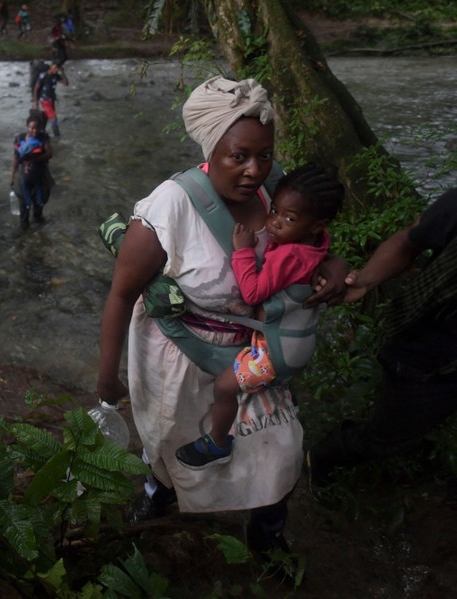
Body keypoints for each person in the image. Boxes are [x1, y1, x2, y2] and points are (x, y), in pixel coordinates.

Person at [95, 76, 347, 572]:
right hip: (183, 353)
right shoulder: (169, 208)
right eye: (240, 157)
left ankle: (268, 531)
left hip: (255, 350)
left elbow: (314, 242)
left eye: (266, 155)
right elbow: (122, 294)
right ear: (212, 147)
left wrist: (335, 268)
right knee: (171, 441)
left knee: (279, 449)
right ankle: (157, 494)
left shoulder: (280, 193)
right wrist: (107, 379)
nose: (256, 170)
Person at [175, 164, 345, 469]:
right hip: (290, 339)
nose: (276, 223)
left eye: (288, 218)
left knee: (224, 387)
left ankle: (217, 444)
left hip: (276, 351)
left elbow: (252, 293)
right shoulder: (314, 243)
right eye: (276, 211)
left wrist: (242, 251)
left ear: (317, 225)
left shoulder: (288, 255)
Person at [306, 187, 457, 489]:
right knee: (385, 438)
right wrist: (364, 280)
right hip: (429, 362)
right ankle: (321, 459)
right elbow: (409, 240)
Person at [10, 114, 53, 230]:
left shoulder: (44, 138)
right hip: (23, 175)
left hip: (39, 174)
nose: (34, 131)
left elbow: (49, 154)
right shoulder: (20, 139)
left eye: (36, 128)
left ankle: (39, 225)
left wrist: (34, 159)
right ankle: (24, 229)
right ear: (27, 127)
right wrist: (12, 177)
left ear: (40, 128)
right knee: (23, 204)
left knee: (40, 201)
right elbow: (15, 159)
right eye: (31, 128)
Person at [32, 62, 68, 138]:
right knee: (53, 117)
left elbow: (66, 83)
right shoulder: (43, 76)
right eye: (55, 68)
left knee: (46, 116)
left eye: (57, 69)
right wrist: (35, 103)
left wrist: (63, 72)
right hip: (45, 100)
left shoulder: (56, 76)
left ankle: (41, 131)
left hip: (52, 99)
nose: (56, 70)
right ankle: (57, 136)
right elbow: (36, 89)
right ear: (51, 67)